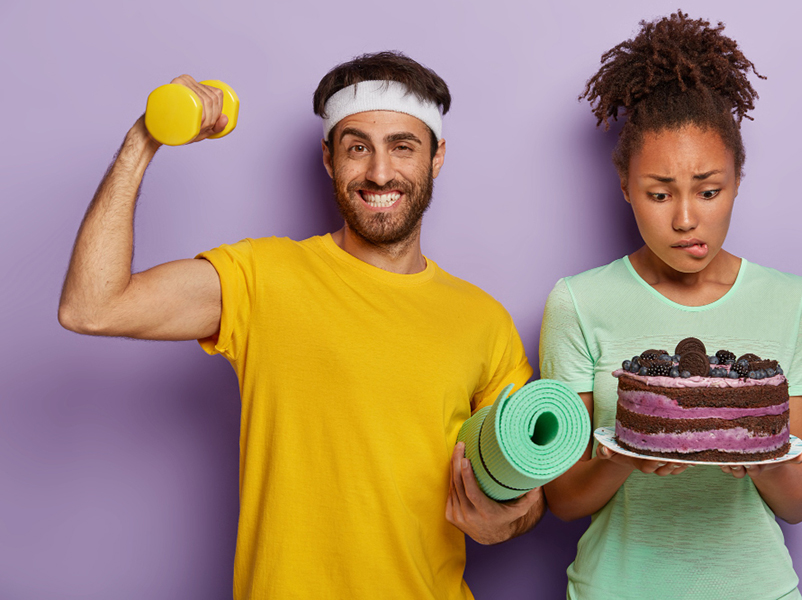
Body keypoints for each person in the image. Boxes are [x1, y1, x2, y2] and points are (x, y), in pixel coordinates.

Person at [58, 51, 544, 600]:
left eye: (402, 147)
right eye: (357, 147)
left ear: (436, 158)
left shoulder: (483, 320)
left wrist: (511, 519)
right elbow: (91, 306)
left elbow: (522, 484)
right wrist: (143, 139)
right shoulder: (262, 278)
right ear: (328, 159)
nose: (379, 172)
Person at [540, 12, 802, 599]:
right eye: (659, 193)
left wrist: (758, 453)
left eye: (709, 189)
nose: (685, 219)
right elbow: (565, 500)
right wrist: (629, 454)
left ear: (738, 181)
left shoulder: (795, 301)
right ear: (626, 188)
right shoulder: (577, 302)